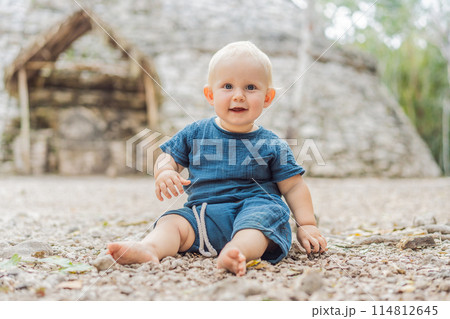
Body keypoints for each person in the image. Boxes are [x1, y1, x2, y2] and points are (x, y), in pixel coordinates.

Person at [107, 41, 327, 276]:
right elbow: (168, 157)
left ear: (268, 97)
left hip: (254, 208)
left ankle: (236, 251)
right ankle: (150, 247)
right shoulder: (195, 133)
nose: (239, 96)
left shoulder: (272, 144)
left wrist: (307, 224)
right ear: (210, 95)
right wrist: (165, 171)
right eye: (228, 86)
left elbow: (293, 186)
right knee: (172, 222)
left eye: (251, 87)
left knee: (261, 223)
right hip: (204, 213)